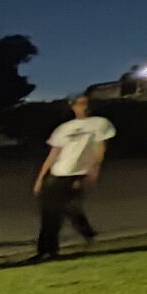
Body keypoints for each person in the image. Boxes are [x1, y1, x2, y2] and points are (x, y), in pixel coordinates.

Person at [31, 94, 115, 262]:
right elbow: (53, 154)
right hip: (57, 173)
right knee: (50, 212)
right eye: (80, 104)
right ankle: (47, 250)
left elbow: (100, 148)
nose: (84, 107)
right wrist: (40, 178)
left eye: (86, 103)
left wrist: (93, 169)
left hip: (78, 173)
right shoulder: (64, 128)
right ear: (73, 106)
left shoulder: (99, 123)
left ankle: (53, 247)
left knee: (62, 208)